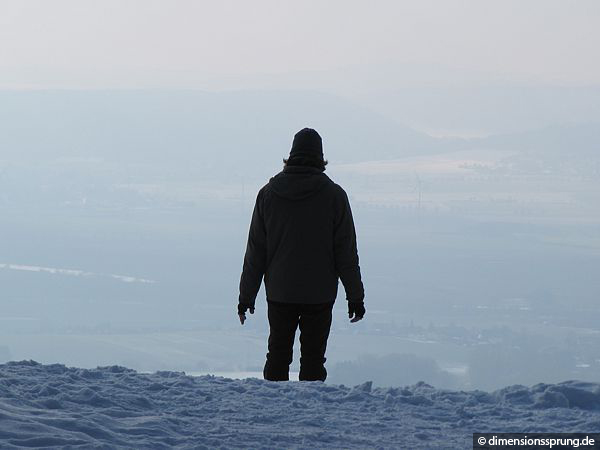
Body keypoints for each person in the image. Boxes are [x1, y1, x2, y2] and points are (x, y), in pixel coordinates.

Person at [237, 128, 365, 382]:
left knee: (277, 354)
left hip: (280, 291)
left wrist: (246, 297)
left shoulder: (268, 194)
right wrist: (355, 297)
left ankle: (271, 412)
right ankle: (311, 415)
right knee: (314, 359)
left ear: (291, 155)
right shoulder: (335, 196)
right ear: (320, 157)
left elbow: (256, 252)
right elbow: (346, 254)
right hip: (319, 294)